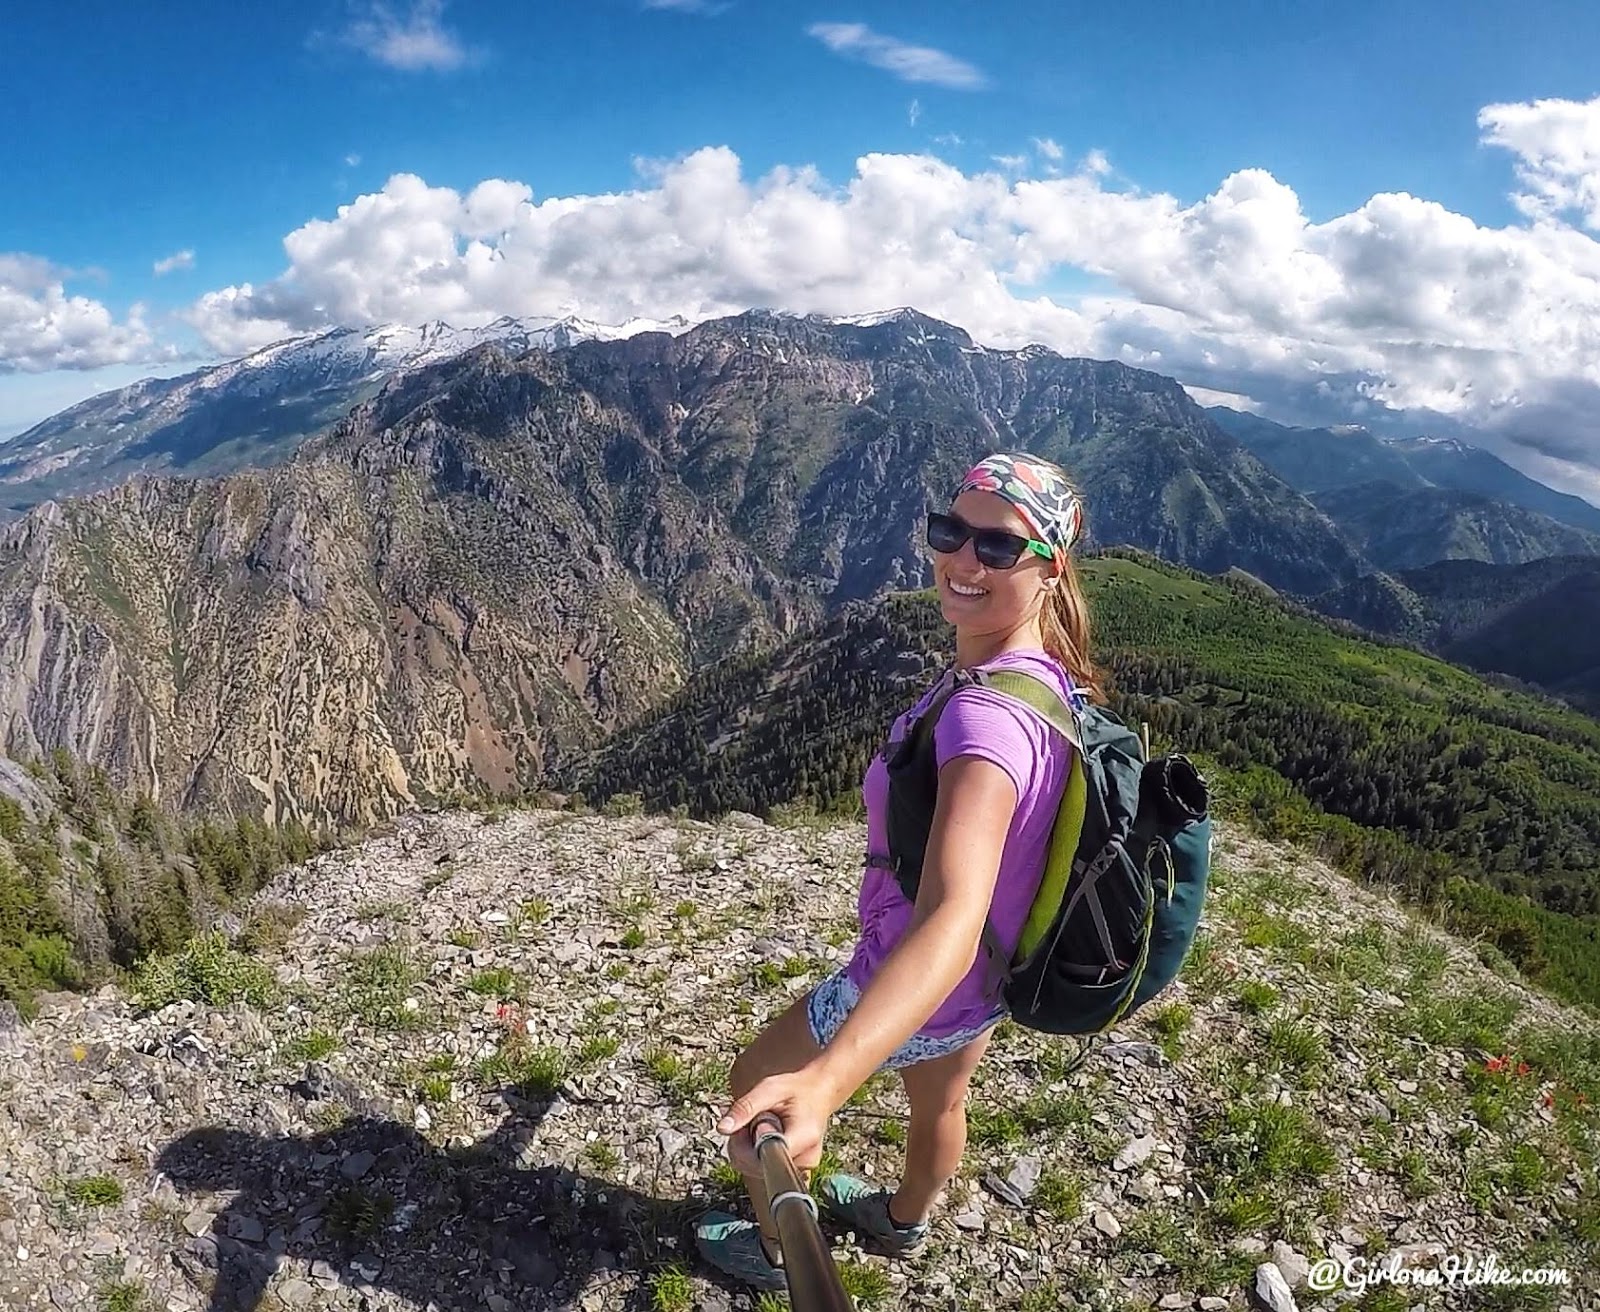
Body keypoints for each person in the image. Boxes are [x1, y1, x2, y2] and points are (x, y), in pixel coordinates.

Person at [694, 450, 1103, 1291]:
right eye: (950, 531)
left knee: (757, 1088)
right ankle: (904, 1221)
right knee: (941, 1105)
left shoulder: (985, 727)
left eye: (998, 548)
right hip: (984, 985)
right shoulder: (1039, 679)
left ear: (1050, 570)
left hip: (909, 974)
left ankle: (776, 1252)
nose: (962, 559)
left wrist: (827, 1081)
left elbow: (950, 916)